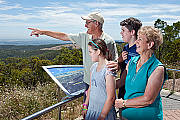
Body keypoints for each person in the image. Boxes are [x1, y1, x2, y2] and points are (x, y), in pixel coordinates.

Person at [28, 12, 118, 101]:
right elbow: (64, 36)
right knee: (88, 111)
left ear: (96, 23)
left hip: (103, 83)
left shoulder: (108, 41)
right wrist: (43, 32)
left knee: (105, 110)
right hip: (88, 83)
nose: (85, 26)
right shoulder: (84, 37)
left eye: (87, 22)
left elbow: (114, 61)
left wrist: (116, 65)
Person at [114, 26, 168, 120]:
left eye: (140, 39)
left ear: (150, 44)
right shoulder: (131, 62)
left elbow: (148, 99)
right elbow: (121, 82)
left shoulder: (157, 68)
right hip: (126, 116)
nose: (136, 42)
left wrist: (123, 103)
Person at [82, 38, 116, 120]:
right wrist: (85, 105)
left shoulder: (108, 70)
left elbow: (111, 97)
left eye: (90, 52)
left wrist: (102, 116)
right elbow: (90, 88)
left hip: (103, 113)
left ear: (98, 51)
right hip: (92, 110)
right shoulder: (93, 67)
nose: (89, 54)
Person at [117, 17, 142, 99]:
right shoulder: (126, 47)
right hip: (123, 89)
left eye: (123, 30)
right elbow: (121, 67)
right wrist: (119, 60)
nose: (121, 33)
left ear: (132, 32)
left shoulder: (140, 49)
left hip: (134, 92)